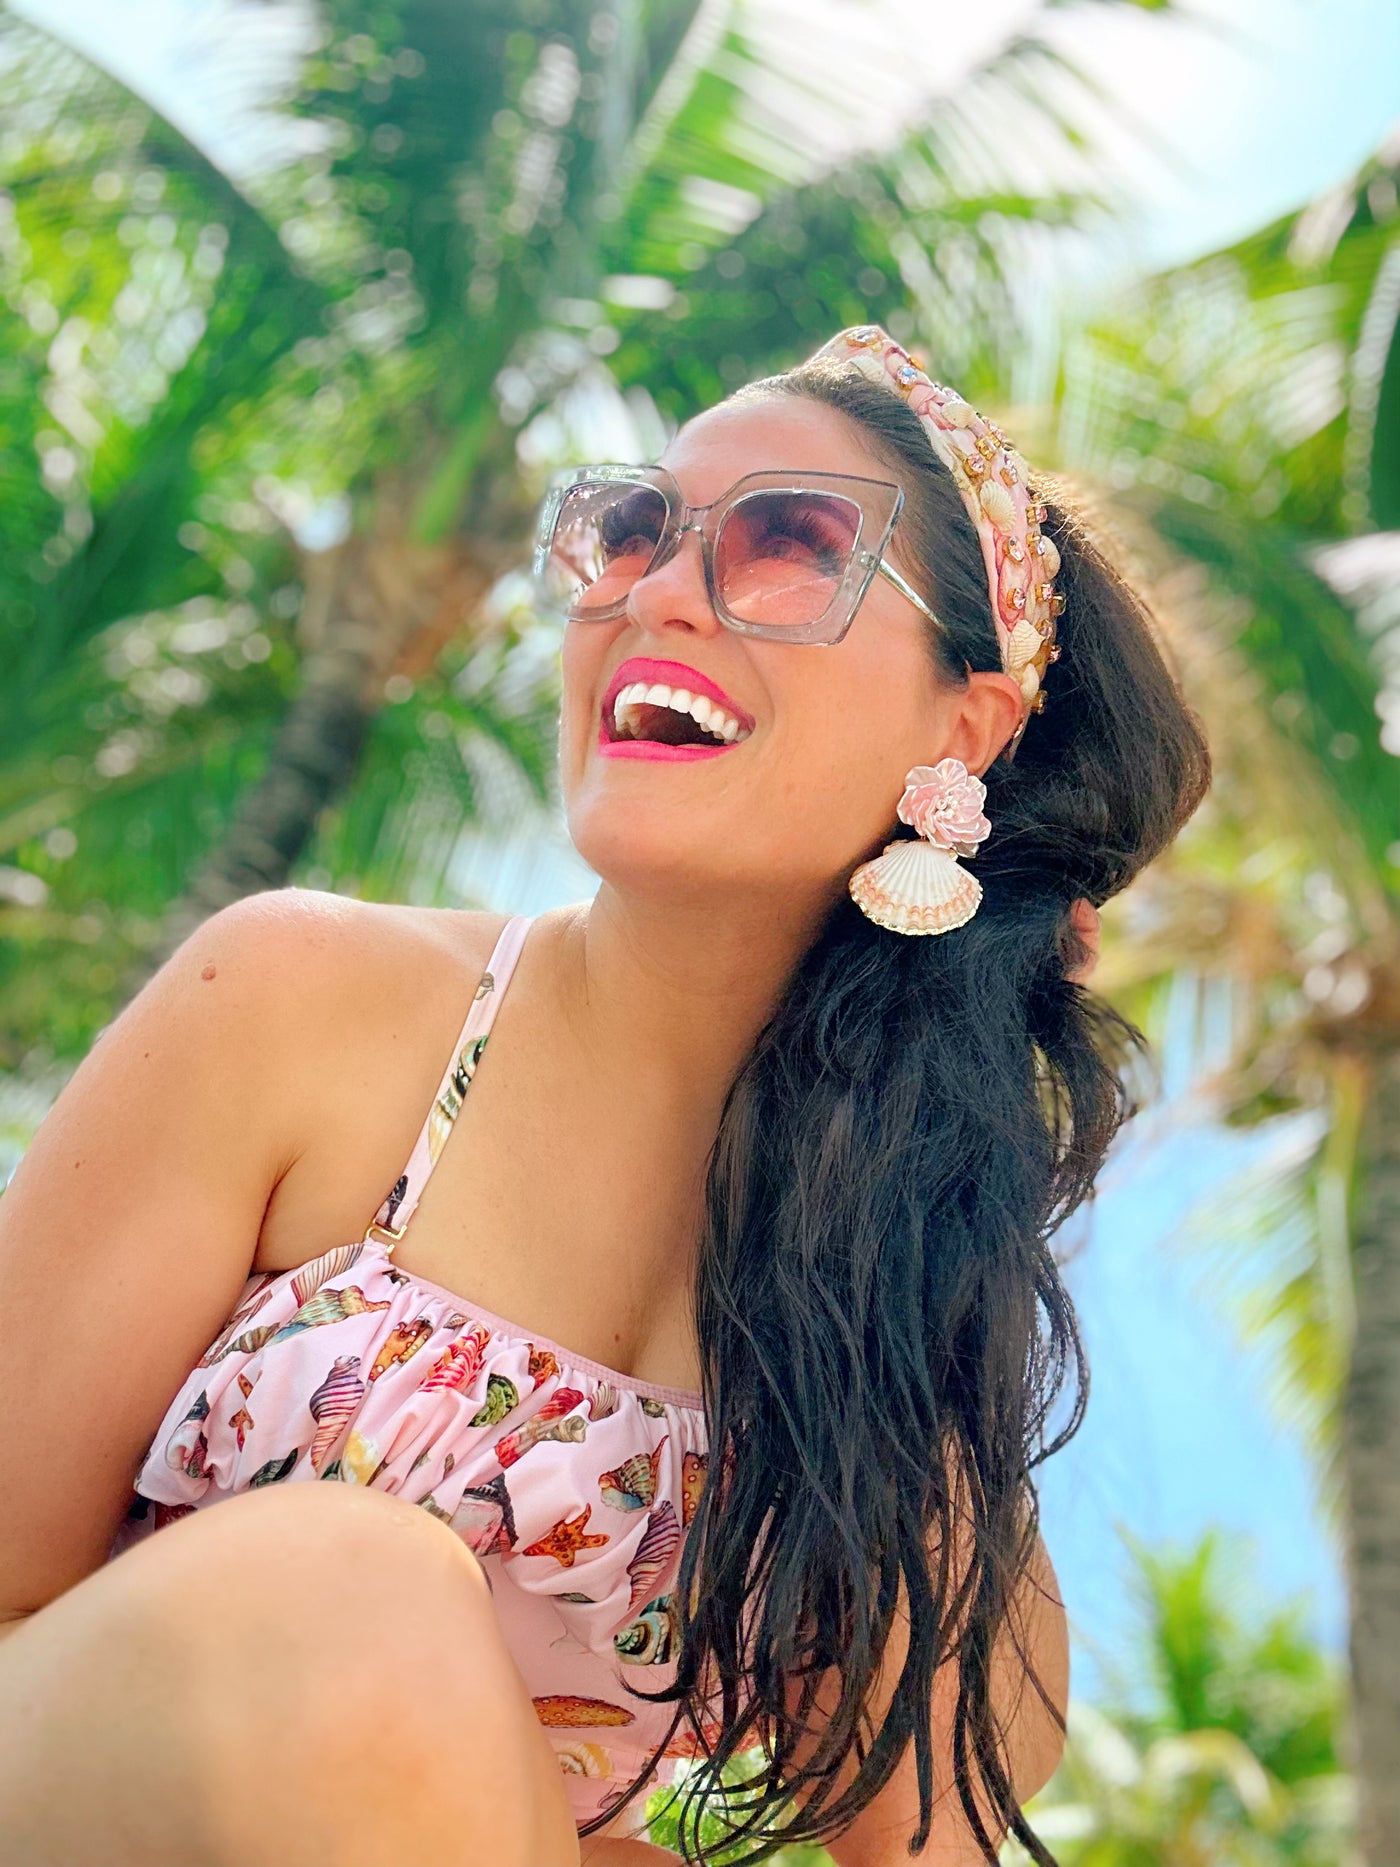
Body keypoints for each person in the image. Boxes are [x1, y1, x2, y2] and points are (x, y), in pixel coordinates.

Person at [0, 323, 1209, 1867]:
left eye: (788, 542)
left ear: (955, 734)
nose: (657, 587)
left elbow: (948, 1818)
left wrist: (954, 1159)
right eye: (634, 531)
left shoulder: (877, 1285)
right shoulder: (299, 999)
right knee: (349, 1595)